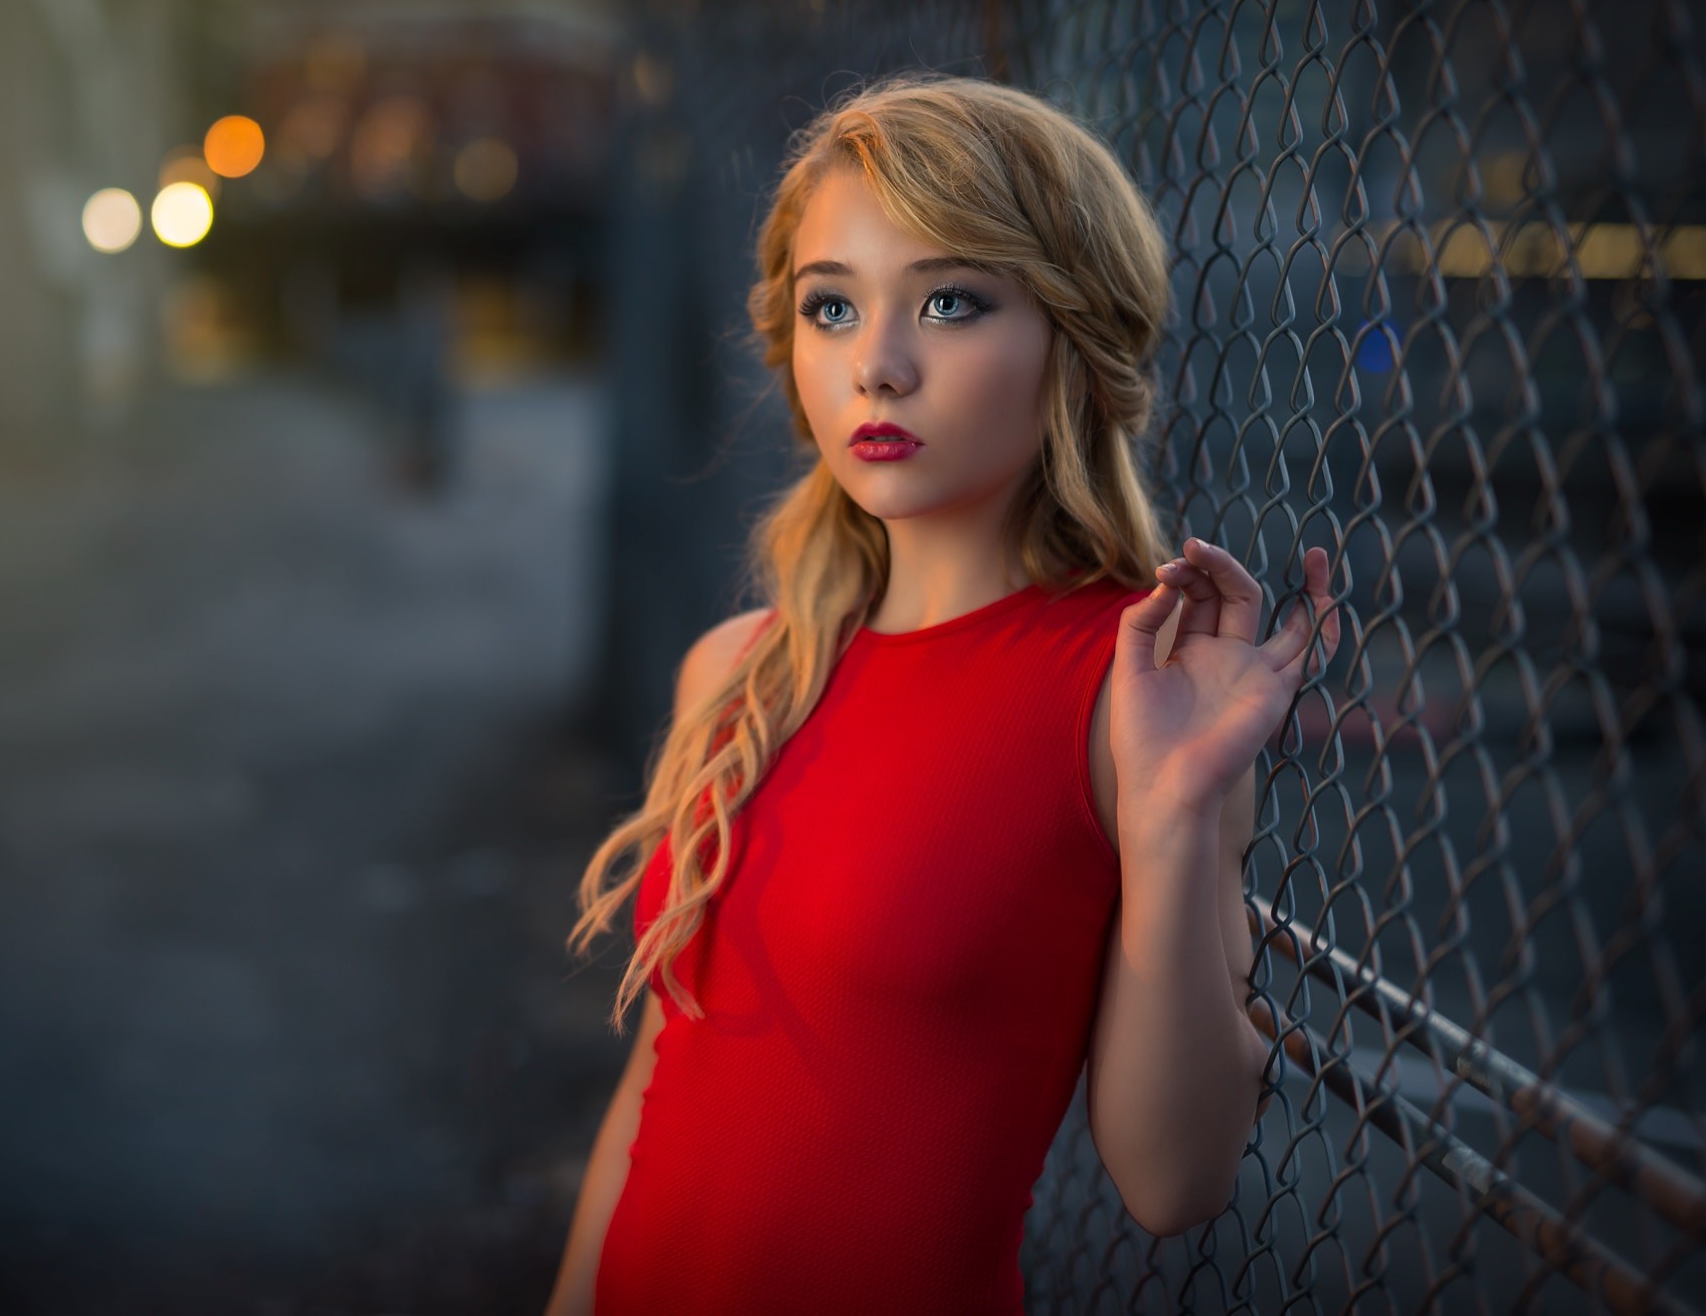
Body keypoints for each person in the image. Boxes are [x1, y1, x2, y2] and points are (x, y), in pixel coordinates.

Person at [544, 72, 1339, 1316]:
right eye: (831, 307)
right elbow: (661, 1075)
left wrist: (1178, 807)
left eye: (951, 301)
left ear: (1070, 335)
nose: (878, 366)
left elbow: (1170, 1177)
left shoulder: (1128, 700)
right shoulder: (740, 667)